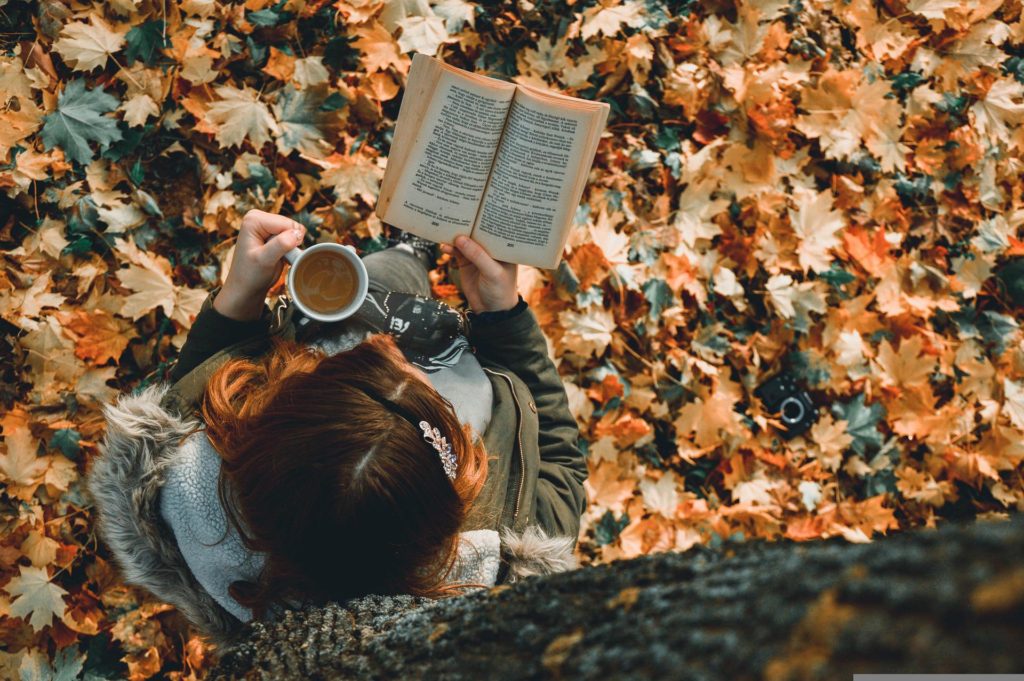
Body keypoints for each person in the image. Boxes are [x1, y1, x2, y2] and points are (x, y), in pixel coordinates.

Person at [87, 210, 589, 645]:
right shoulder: (513, 550)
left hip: (317, 334)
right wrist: (506, 322)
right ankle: (404, 258)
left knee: (383, 278)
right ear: (447, 509)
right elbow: (561, 457)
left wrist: (239, 297)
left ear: (261, 438)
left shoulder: (186, 484)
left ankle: (405, 254)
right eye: (424, 387)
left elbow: (200, 380)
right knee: (387, 282)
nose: (390, 344)